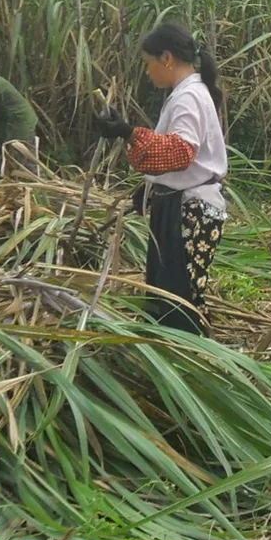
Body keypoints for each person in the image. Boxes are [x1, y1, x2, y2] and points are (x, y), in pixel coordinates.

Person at [94, 23, 227, 336]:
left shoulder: (189, 97)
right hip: (181, 205)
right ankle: (171, 355)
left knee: (178, 297)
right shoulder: (186, 93)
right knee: (168, 291)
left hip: (190, 211)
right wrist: (150, 187)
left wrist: (128, 132)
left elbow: (180, 152)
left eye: (148, 61)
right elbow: (180, 157)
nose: (146, 70)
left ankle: (186, 361)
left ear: (166, 58)